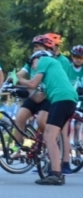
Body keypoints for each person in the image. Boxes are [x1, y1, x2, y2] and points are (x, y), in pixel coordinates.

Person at [19, 50, 77, 185]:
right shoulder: (48, 75)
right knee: (50, 136)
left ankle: (56, 174)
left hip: (62, 98)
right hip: (66, 99)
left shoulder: (45, 60)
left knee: (49, 136)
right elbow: (38, 98)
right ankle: (56, 173)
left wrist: (19, 79)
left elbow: (33, 83)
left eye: (31, 62)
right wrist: (24, 93)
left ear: (37, 58)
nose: (32, 66)